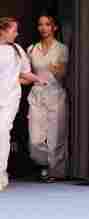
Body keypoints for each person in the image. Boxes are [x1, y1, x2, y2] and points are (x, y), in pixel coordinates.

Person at [0, 17, 46, 190]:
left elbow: (25, 73)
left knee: (2, 131)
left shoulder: (17, 50)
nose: (17, 33)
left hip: (10, 98)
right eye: (14, 30)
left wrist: (38, 79)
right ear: (3, 31)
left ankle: (1, 174)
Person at [27, 15, 69, 182]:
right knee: (35, 139)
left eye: (47, 24)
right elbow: (27, 73)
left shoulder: (61, 49)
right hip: (37, 94)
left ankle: (55, 172)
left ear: (54, 27)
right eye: (40, 25)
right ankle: (44, 164)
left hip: (55, 94)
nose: (43, 28)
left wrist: (55, 68)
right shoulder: (32, 49)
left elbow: (62, 73)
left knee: (56, 137)